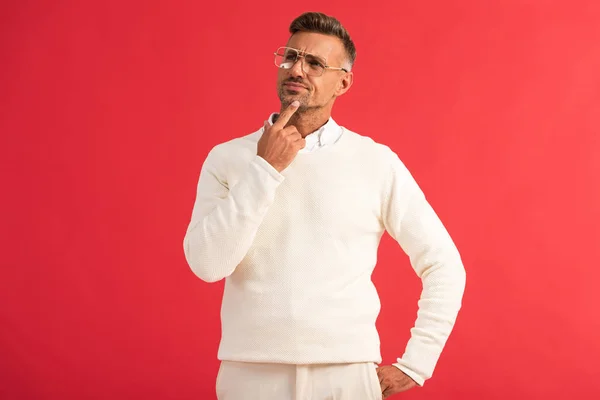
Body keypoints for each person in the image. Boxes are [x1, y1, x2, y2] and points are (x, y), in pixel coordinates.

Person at [183, 11, 466, 400]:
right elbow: (207, 264)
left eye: (315, 63)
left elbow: (444, 264)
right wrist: (265, 168)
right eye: (291, 57)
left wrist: (416, 363)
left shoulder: (375, 162)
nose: (297, 69)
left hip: (345, 376)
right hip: (250, 374)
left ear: (343, 83)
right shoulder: (229, 158)